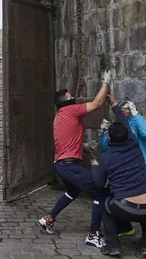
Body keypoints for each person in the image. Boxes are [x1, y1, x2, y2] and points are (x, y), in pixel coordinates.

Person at [37, 69, 113, 248]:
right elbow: (97, 103)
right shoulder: (71, 110)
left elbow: (68, 139)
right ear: (65, 101)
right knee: (99, 193)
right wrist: (106, 83)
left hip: (62, 164)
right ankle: (93, 235)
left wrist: (84, 148)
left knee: (72, 192)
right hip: (70, 166)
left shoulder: (59, 116)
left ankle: (48, 220)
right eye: (70, 95)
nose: (73, 97)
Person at [91, 121, 146, 258]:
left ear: (109, 138)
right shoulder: (136, 150)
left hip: (125, 209)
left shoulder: (106, 158)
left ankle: (112, 245)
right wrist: (115, 106)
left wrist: (95, 166)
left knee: (106, 205)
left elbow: (99, 182)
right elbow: (127, 127)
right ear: (129, 137)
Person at [99, 95, 146, 177]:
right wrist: (104, 134)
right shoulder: (118, 125)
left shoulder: (137, 122)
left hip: (139, 166)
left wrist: (136, 115)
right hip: (123, 167)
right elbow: (105, 148)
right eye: (122, 108)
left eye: (127, 108)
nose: (123, 109)